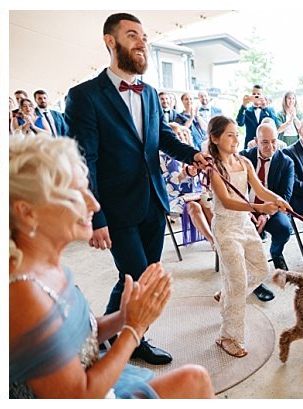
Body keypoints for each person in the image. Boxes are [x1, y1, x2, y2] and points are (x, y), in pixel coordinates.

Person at [9, 134, 214, 399]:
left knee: (195, 378)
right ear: (27, 212)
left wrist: (123, 317)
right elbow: (79, 396)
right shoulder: (23, 292)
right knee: (194, 381)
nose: (94, 204)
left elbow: (79, 336)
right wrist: (134, 329)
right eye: (75, 194)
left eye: (88, 189)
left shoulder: (52, 266)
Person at [64, 13, 208, 366]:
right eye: (132, 35)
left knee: (134, 278)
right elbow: (85, 160)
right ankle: (132, 340)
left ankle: (100, 337)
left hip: (154, 202)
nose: (142, 42)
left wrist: (194, 154)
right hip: (116, 208)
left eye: (143, 36)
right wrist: (95, 217)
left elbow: (163, 140)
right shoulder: (85, 96)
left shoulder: (150, 95)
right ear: (110, 42)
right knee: (141, 280)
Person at [205, 116, 292, 358]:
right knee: (239, 282)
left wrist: (276, 199)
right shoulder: (214, 168)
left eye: (237, 134)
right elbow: (226, 201)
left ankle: (227, 293)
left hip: (245, 226)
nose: (236, 139)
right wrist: (258, 208)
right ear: (215, 138)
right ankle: (228, 336)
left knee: (260, 270)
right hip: (225, 228)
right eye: (229, 135)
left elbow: (261, 189)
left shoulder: (244, 161)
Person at [240, 124, 296, 285]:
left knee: (285, 229)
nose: (270, 146)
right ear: (256, 141)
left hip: (272, 208)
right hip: (246, 207)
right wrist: (247, 211)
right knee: (246, 233)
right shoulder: (243, 158)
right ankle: (250, 271)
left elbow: (285, 195)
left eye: (274, 141)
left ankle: (276, 253)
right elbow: (235, 191)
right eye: (265, 142)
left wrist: (265, 214)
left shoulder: (286, 162)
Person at [164, 125, 216, 245]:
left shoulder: (192, 153)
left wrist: (195, 172)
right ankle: (212, 240)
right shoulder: (162, 157)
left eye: (181, 133)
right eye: (176, 134)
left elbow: (200, 181)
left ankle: (220, 236)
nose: (180, 136)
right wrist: (183, 175)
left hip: (195, 193)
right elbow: (164, 182)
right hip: (174, 196)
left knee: (206, 203)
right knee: (194, 207)